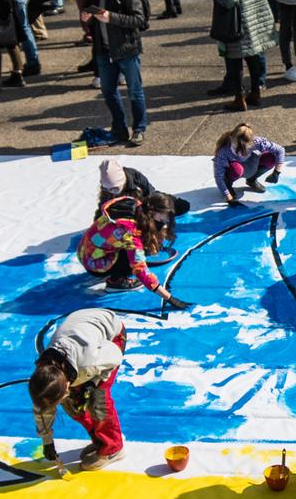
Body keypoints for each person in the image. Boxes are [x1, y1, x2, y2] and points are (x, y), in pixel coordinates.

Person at [31, 308, 129, 473]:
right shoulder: (45, 374)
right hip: (81, 332)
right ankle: (101, 439)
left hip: (111, 335)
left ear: (67, 385)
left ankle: (113, 448)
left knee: (97, 400)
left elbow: (114, 356)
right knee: (73, 404)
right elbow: (42, 406)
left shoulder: (88, 364)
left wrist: (95, 382)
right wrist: (47, 441)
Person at [78, 0, 151, 146]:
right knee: (109, 92)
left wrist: (111, 17)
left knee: (135, 91)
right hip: (103, 49)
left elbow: (139, 19)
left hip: (126, 48)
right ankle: (119, 128)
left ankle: (139, 128)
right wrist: (87, 17)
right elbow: (91, 14)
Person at [78, 190, 185, 306]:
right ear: (153, 212)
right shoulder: (129, 232)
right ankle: (116, 282)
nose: (165, 222)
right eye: (163, 219)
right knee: (133, 255)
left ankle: (112, 264)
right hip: (93, 262)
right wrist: (169, 298)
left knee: (140, 246)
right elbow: (140, 269)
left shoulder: (135, 205)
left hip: (85, 250)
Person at [210, 0, 277, 111]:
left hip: (238, 25)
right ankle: (255, 93)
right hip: (255, 22)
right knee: (253, 59)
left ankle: (239, 98)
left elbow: (230, 0)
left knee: (235, 60)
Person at [213, 123, 285, 204]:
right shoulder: (224, 151)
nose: (241, 149)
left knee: (271, 158)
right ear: (231, 138)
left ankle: (251, 180)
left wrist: (277, 172)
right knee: (237, 170)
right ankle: (228, 184)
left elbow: (280, 150)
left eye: (245, 146)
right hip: (235, 169)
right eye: (237, 145)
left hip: (250, 164)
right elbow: (218, 175)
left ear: (251, 140)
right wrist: (227, 195)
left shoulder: (257, 142)